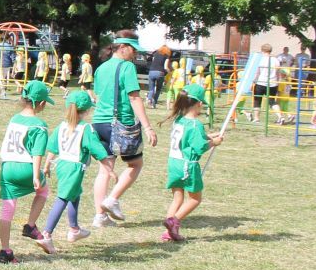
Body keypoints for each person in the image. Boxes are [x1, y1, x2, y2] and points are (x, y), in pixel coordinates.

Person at [91, 32, 158, 228]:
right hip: (121, 123)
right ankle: (112, 199)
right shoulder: (127, 67)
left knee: (105, 170)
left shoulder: (101, 68)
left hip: (99, 122)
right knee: (135, 164)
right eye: (133, 49)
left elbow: (98, 95)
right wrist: (148, 127)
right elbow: (134, 97)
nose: (135, 53)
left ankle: (100, 217)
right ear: (122, 47)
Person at [41, 90, 113, 252]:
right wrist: (109, 168)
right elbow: (96, 149)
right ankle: (46, 234)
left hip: (62, 165)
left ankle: (74, 229)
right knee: (62, 198)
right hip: (74, 168)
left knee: (74, 194)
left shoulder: (61, 126)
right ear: (87, 110)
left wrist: (46, 165)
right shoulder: (85, 128)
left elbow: (53, 147)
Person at [0, 80, 54, 263]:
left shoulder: (14, 119)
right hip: (25, 168)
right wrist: (36, 175)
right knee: (43, 191)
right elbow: (37, 152)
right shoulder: (39, 124)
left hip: (7, 167)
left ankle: (5, 251)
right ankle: (30, 226)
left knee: (7, 210)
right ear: (41, 103)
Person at [159, 83, 222, 242]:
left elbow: (188, 139)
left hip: (174, 162)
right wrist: (214, 142)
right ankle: (173, 221)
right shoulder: (195, 124)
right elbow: (199, 147)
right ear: (199, 103)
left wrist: (209, 136)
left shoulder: (179, 120)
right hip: (188, 165)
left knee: (177, 199)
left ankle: (169, 232)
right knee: (195, 199)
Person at [250, 43, 279, 124]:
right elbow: (278, 73)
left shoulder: (260, 60)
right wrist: (277, 82)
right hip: (273, 83)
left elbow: (257, 72)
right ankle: (280, 116)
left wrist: (253, 81)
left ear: (262, 50)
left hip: (261, 82)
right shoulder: (276, 60)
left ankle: (256, 118)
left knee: (257, 100)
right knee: (272, 101)